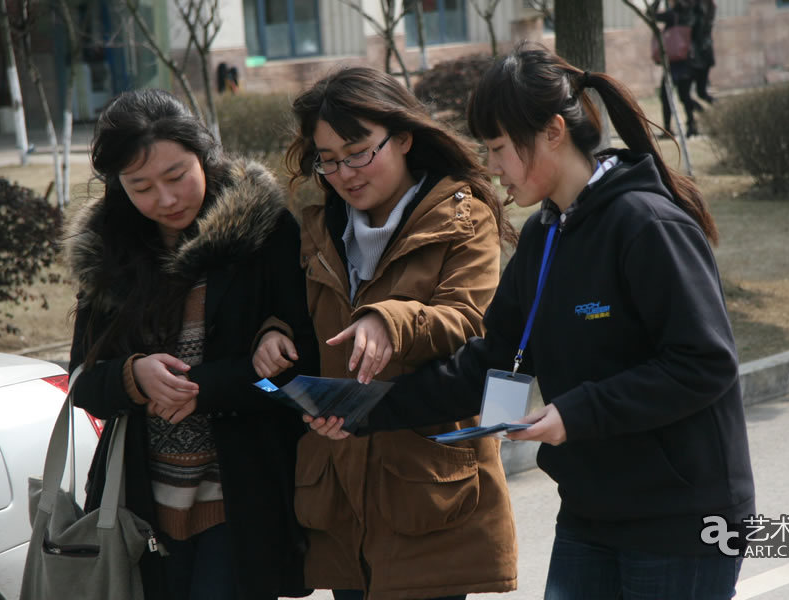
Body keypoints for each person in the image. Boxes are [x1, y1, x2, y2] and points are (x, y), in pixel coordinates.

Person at [311, 44, 756, 599]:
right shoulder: (546, 236)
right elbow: (491, 363)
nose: (492, 167)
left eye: (498, 148)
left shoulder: (645, 224)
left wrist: (576, 412)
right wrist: (363, 410)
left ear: (551, 132)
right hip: (592, 514)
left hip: (681, 522)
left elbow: (704, 364)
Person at [251, 66, 519, 600]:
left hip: (426, 491)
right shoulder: (316, 227)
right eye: (327, 161)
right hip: (340, 493)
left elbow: (469, 321)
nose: (344, 173)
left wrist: (389, 318)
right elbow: (299, 317)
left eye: (358, 152)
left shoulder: (462, 217)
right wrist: (273, 333)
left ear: (402, 137)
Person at [65, 89, 317, 600]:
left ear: (204, 152)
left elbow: (295, 377)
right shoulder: (110, 253)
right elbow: (83, 383)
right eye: (141, 187)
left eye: (177, 176)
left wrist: (206, 385)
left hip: (243, 499)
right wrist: (132, 377)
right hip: (141, 510)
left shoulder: (264, 232)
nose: (165, 199)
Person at [655, 0, 701, 136]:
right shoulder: (693, 13)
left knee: (666, 95)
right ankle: (691, 126)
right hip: (688, 60)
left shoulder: (672, 15)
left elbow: (651, 14)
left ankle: (668, 129)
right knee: (685, 96)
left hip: (674, 62)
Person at [691, 0, 717, 104]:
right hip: (703, 54)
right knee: (700, 92)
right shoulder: (708, 7)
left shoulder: (698, 10)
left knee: (700, 92)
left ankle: (716, 105)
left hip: (699, 56)